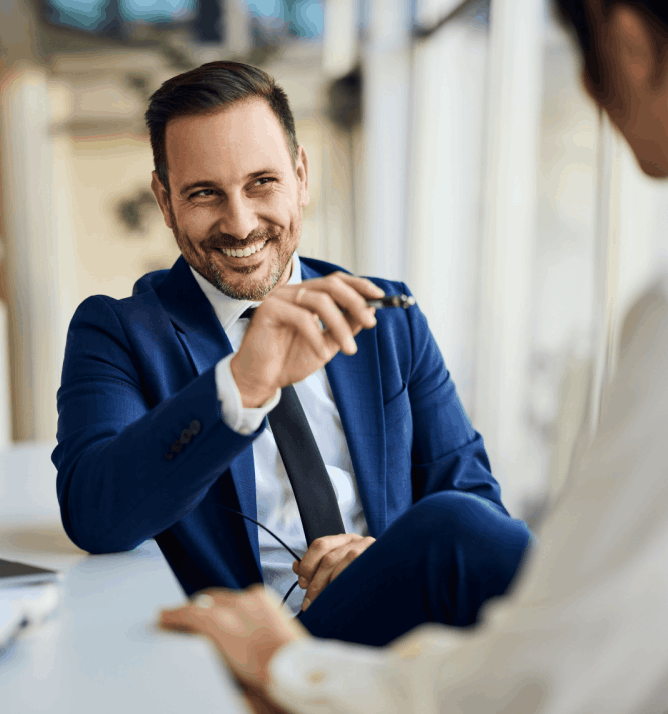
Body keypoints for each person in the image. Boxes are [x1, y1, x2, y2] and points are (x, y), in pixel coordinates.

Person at [159, 1, 668, 714]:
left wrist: (289, 666)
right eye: (205, 193)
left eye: (583, 47)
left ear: (631, 44)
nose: (587, 84)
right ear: (166, 202)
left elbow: (552, 680)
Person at [53, 62, 531, 647]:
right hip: (254, 650)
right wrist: (242, 385)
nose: (240, 223)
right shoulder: (118, 333)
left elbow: (479, 507)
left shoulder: (386, 316)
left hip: (396, 631)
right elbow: (95, 515)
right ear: (165, 200)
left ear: (301, 176)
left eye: (262, 183)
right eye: (204, 193)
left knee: (463, 525)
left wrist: (380, 558)